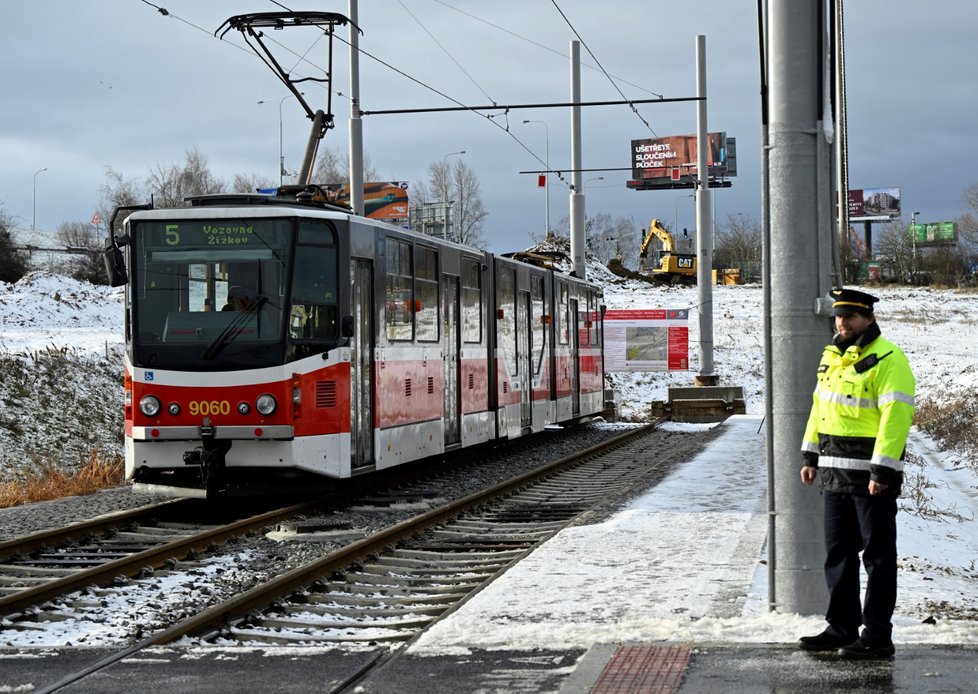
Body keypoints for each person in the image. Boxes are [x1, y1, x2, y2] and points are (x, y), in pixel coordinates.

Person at [798, 288, 915, 660]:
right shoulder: (832, 356)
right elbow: (820, 408)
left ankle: (878, 635)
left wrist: (882, 469)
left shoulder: (889, 359)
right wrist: (809, 455)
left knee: (878, 557)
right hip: (834, 474)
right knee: (839, 554)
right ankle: (842, 627)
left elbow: (896, 418)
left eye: (850, 316)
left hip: (872, 478)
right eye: (839, 316)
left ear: (869, 318)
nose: (842, 322)